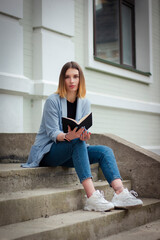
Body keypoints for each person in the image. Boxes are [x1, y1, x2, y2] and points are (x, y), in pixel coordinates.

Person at [22, 61, 143, 211]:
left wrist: (83, 136)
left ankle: (120, 193)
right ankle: (92, 197)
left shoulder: (85, 102)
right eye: (67, 77)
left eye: (75, 77)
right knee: (76, 142)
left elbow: (82, 127)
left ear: (80, 79)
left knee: (105, 151)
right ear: (62, 80)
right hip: (48, 152)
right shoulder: (52, 101)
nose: (72, 81)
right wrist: (69, 136)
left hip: (73, 150)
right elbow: (53, 133)